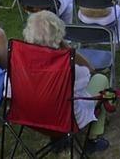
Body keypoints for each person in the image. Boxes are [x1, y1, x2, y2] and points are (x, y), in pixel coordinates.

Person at [23, 11, 110, 153]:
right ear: (59, 37)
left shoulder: (19, 63)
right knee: (101, 79)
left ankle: (57, 138)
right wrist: (69, 50)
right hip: (67, 119)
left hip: (31, 116)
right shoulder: (70, 68)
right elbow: (91, 69)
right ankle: (92, 138)